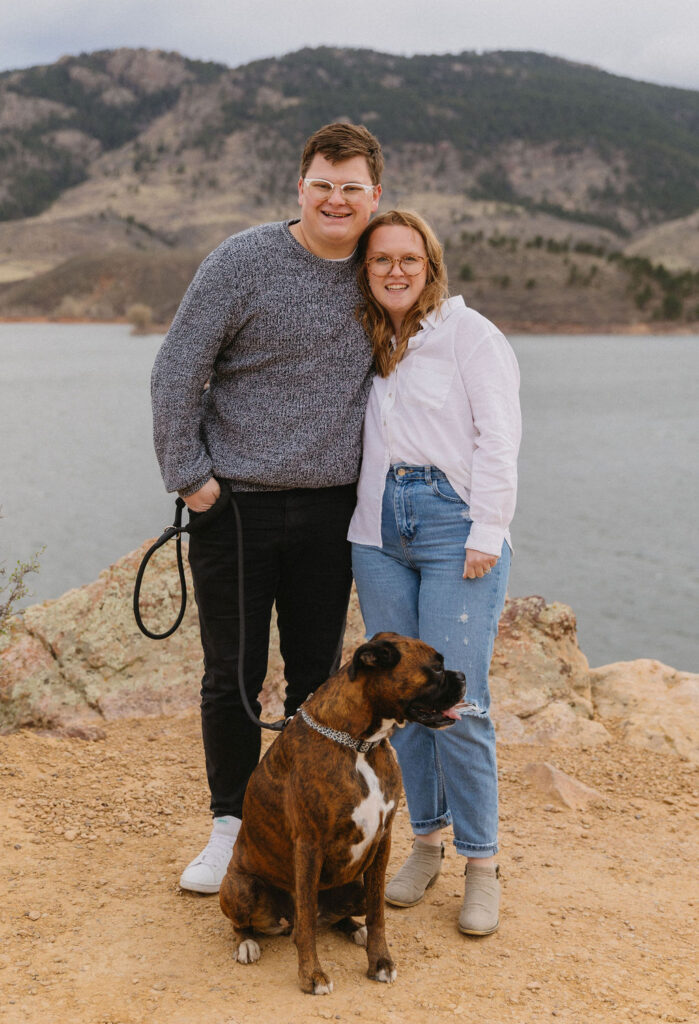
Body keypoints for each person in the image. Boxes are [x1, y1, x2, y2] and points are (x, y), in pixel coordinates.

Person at [151, 123, 383, 893]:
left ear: (373, 196)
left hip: (329, 513)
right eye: (323, 183)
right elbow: (177, 370)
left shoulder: (379, 268)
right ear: (301, 186)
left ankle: (299, 822)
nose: (336, 198)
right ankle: (229, 824)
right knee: (231, 678)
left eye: (352, 187)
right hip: (236, 508)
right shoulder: (243, 261)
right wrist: (190, 479)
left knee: (319, 682)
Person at [348, 210, 521, 935]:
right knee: (400, 702)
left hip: (453, 527)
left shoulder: (469, 334)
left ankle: (481, 864)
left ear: (429, 266)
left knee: (460, 704)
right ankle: (424, 844)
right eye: (381, 259)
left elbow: (499, 435)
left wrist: (487, 530)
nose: (394, 270)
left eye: (407, 260)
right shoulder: (368, 337)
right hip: (377, 532)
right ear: (366, 268)